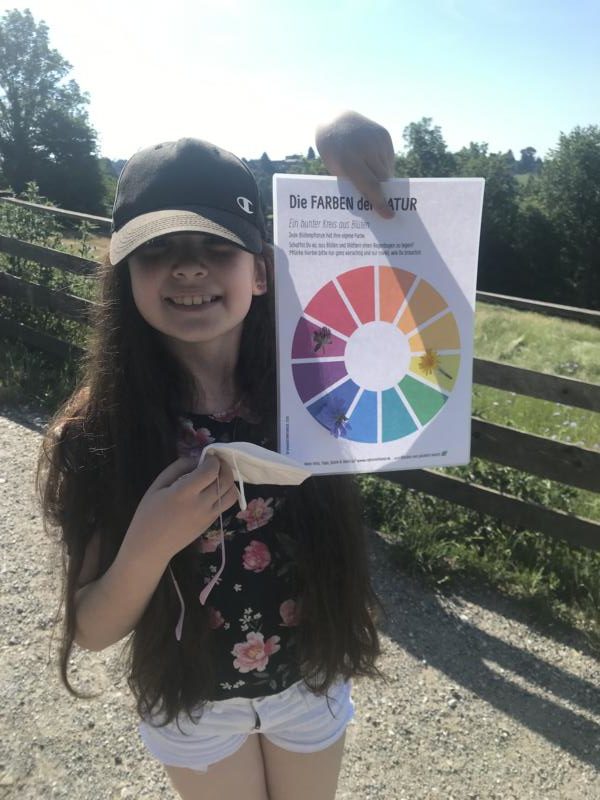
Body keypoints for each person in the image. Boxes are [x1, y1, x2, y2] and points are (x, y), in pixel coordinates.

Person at [38, 111, 395, 800]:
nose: (188, 266)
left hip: (308, 684)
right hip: (193, 702)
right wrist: (149, 544)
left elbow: (390, 280)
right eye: (156, 250)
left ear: (261, 272)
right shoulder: (97, 431)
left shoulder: (318, 386)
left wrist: (345, 141)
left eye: (216, 244)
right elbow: (91, 628)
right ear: (123, 274)